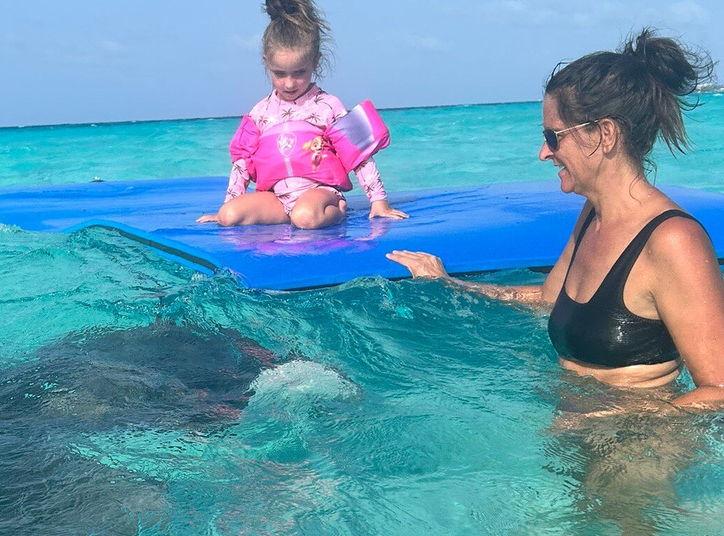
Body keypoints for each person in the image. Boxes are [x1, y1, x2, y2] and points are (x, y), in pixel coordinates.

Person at [387, 29, 724, 412]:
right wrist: (450, 283)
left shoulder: (672, 240)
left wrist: (616, 421)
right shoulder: (593, 215)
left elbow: (718, 388)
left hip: (639, 449)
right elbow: (547, 300)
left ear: (604, 134)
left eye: (553, 135)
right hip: (580, 431)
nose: (544, 152)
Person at [197, 0, 406, 230]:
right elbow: (241, 164)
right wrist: (229, 202)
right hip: (276, 199)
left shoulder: (327, 106)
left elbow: (359, 155)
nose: (289, 83)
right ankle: (289, 214)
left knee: (304, 216)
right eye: (279, 73)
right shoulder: (260, 113)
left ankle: (337, 210)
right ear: (266, 63)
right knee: (228, 215)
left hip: (319, 194)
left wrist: (379, 201)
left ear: (315, 62)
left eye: (299, 73)